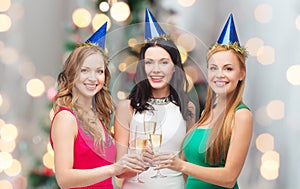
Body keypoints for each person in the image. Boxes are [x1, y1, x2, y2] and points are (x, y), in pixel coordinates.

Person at [155, 13, 253, 189]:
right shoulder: (207, 113)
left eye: (228, 68)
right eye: (213, 68)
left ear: (241, 74)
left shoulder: (241, 115)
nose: (219, 75)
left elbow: (229, 178)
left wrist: (182, 165)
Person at [50, 22, 146, 189]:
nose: (93, 78)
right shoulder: (66, 118)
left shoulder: (98, 116)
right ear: (73, 73)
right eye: (85, 70)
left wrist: (141, 160)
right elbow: (64, 179)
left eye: (99, 71)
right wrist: (113, 169)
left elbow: (113, 169)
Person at [114, 8, 196, 189]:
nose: (155, 70)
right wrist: (140, 163)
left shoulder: (187, 107)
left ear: (174, 67)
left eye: (164, 62)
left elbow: (186, 165)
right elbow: (119, 171)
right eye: (149, 62)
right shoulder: (126, 107)